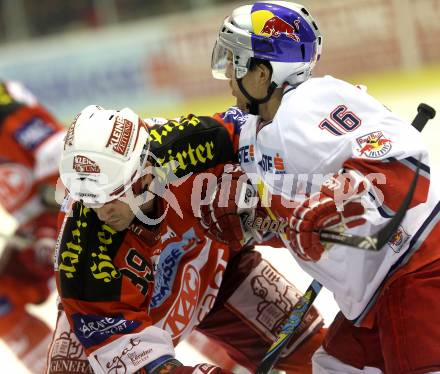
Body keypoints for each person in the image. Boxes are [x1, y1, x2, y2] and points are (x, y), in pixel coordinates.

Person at [199, 1, 440, 373]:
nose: (228, 75)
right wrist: (260, 225)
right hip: (374, 291)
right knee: (332, 366)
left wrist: (335, 202)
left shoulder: (310, 104)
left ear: (263, 72)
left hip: (419, 266)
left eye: (235, 61)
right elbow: (299, 222)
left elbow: (403, 165)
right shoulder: (252, 135)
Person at [47, 104, 326, 374]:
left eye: (113, 193)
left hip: (217, 267)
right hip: (112, 321)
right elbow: (135, 361)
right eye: (86, 197)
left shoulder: (191, 145)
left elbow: (269, 138)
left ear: (143, 170)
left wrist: (281, 216)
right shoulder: (82, 255)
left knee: (317, 357)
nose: (101, 211)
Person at [0, 80, 65, 373]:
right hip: (36, 234)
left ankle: (224, 356)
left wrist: (48, 230)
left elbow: (67, 167)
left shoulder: (10, 111)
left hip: (80, 218)